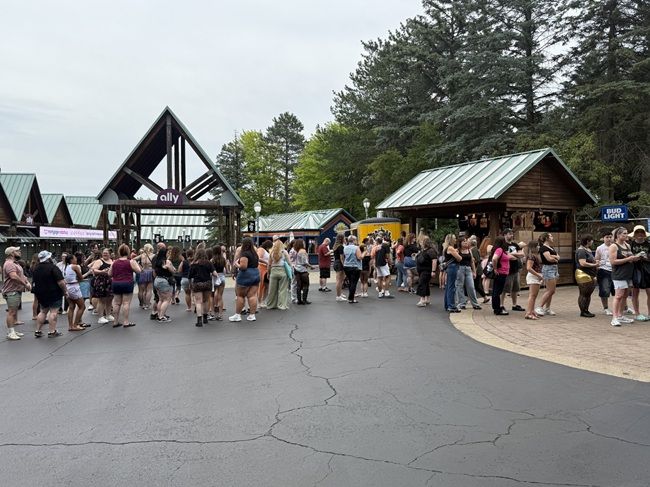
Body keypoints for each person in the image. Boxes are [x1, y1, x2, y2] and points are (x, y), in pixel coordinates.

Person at [609, 227, 640, 326]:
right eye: (624, 234)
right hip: (619, 275)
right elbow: (613, 261)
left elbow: (629, 257)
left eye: (627, 233)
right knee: (618, 295)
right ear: (618, 235)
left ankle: (620, 315)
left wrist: (635, 258)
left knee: (625, 295)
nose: (626, 235)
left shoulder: (627, 245)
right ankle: (614, 318)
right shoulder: (614, 246)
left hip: (628, 274)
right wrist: (628, 259)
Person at [32, 250, 67, 338]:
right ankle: (52, 331)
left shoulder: (36, 268)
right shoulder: (53, 268)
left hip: (41, 293)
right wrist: (65, 291)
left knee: (43, 311)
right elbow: (61, 282)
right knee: (53, 312)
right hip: (53, 292)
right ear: (48, 258)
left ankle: (38, 330)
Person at [109, 244, 141, 328]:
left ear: (119, 252)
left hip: (116, 283)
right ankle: (126, 322)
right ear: (128, 252)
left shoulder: (114, 262)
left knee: (116, 303)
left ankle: (115, 321)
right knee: (126, 303)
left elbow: (109, 274)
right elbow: (138, 271)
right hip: (127, 283)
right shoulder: (130, 262)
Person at [2, 246, 31, 340]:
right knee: (11, 312)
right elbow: (13, 276)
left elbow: (21, 275)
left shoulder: (15, 263)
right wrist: (25, 284)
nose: (20, 252)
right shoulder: (9, 264)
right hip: (11, 291)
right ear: (11, 253)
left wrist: (27, 282)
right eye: (17, 251)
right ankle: (11, 332)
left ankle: (12, 330)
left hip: (15, 290)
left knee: (13, 312)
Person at [229, 238, 260, 322]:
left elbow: (243, 266)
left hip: (246, 275)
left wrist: (237, 265)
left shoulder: (244, 253)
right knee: (252, 295)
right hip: (255, 274)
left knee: (240, 295)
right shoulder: (254, 254)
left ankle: (237, 315)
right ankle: (252, 315)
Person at [189, 248, 217, 326]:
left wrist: (190, 285)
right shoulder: (209, 263)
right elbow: (215, 274)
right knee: (206, 301)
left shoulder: (193, 264)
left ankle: (199, 320)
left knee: (198, 302)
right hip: (207, 283)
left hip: (197, 284)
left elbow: (190, 276)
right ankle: (205, 318)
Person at [535, 233, 560, 317]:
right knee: (551, 290)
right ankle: (539, 307)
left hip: (554, 268)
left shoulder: (551, 247)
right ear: (547, 238)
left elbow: (558, 257)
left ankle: (547, 308)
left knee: (551, 291)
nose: (552, 237)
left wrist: (554, 257)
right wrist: (554, 258)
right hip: (548, 269)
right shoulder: (543, 248)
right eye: (551, 236)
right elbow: (548, 259)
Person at [629, 225, 650, 321]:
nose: (640, 234)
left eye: (642, 232)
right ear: (634, 234)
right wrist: (635, 257)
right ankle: (637, 313)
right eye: (637, 232)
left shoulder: (648, 244)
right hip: (635, 269)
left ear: (644, 234)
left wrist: (646, 257)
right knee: (635, 291)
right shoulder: (630, 245)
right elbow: (627, 257)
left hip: (647, 269)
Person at [575, 234, 599, 318]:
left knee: (588, 294)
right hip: (583, 274)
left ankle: (586, 310)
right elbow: (582, 263)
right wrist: (594, 265)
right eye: (591, 240)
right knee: (583, 294)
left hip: (590, 274)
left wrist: (595, 263)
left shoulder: (587, 249)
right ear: (588, 241)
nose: (592, 242)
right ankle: (583, 311)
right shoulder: (581, 251)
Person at [454, 236, 481, 310]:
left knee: (471, 286)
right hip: (460, 269)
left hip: (468, 269)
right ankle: (461, 303)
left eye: (466, 241)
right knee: (460, 286)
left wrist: (474, 271)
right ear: (460, 243)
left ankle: (475, 304)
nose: (466, 242)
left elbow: (472, 262)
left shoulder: (469, 250)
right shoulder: (457, 251)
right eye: (464, 241)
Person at [502, 229, 525, 312]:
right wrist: (514, 256)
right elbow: (507, 256)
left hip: (515, 269)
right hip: (506, 270)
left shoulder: (515, 244)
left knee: (515, 289)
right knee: (504, 289)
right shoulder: (503, 245)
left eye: (512, 234)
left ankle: (514, 305)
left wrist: (512, 254)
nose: (511, 235)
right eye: (509, 234)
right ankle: (501, 305)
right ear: (505, 235)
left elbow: (522, 254)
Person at [63, 254, 87, 331]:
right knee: (82, 306)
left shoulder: (66, 267)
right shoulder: (75, 266)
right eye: (75, 258)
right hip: (74, 287)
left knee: (71, 306)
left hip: (67, 287)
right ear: (71, 260)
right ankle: (75, 324)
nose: (76, 259)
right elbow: (81, 278)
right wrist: (89, 272)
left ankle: (70, 326)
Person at [90, 248, 114, 324]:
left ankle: (108, 315)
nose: (105, 254)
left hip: (110, 281)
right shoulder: (99, 261)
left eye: (106, 253)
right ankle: (100, 317)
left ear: (110, 254)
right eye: (104, 253)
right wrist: (102, 271)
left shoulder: (112, 261)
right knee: (102, 300)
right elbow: (94, 270)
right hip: (101, 282)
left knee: (110, 299)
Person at [153, 244, 176, 322]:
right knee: (166, 300)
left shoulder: (157, 262)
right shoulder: (167, 262)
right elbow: (173, 271)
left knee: (161, 299)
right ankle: (161, 316)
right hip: (165, 281)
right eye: (168, 253)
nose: (169, 254)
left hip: (157, 280)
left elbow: (154, 272)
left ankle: (159, 314)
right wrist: (170, 267)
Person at [594, 230, 615, 315]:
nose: (609, 239)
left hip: (615, 270)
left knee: (619, 290)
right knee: (604, 290)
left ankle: (625, 307)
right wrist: (596, 271)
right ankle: (606, 308)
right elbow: (597, 259)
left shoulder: (615, 246)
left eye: (610, 237)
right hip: (604, 270)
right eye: (607, 237)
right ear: (603, 238)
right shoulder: (600, 248)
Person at [266, 239, 291, 310]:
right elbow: (289, 263)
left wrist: (268, 273)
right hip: (282, 271)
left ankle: (271, 305)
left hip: (273, 271)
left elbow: (269, 264)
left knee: (272, 290)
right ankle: (282, 305)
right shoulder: (284, 252)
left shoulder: (272, 253)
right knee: (282, 290)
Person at [490, 236, 511, 315]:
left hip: (502, 273)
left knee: (496, 291)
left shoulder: (500, 250)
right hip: (501, 272)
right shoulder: (499, 249)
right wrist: (495, 268)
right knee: (497, 291)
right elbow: (494, 259)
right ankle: (497, 309)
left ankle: (496, 308)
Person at [415, 237, 438, 307]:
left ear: (425, 242)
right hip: (422, 270)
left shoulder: (430, 251)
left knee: (422, 283)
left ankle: (422, 300)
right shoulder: (424, 250)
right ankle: (427, 299)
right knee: (425, 284)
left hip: (426, 270)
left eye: (421, 242)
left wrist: (433, 271)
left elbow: (434, 260)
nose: (420, 243)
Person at [524, 240, 544, 320]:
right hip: (533, 276)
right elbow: (528, 268)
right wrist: (538, 275)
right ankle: (528, 313)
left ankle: (532, 311)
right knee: (532, 295)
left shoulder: (534, 255)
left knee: (534, 296)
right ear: (534, 247)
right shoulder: (531, 256)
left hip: (536, 276)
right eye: (537, 245)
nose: (539, 247)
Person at [442, 234, 462, 312]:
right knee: (451, 287)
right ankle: (451, 306)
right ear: (451, 240)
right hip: (453, 267)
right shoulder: (450, 248)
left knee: (448, 287)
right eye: (454, 238)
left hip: (449, 267)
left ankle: (447, 305)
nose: (456, 239)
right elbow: (459, 258)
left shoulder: (446, 248)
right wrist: (457, 253)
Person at [343, 235, 363, 303]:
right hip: (355, 266)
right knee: (353, 283)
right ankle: (351, 298)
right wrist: (364, 253)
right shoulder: (356, 248)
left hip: (346, 266)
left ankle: (351, 297)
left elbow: (344, 256)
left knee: (350, 282)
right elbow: (359, 257)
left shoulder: (345, 247)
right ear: (354, 240)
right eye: (356, 240)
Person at [294, 239, 314, 305]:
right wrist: (311, 266)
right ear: (301, 244)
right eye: (303, 243)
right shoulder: (303, 251)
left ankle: (299, 300)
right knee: (306, 285)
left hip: (297, 269)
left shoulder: (297, 251)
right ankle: (304, 300)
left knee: (299, 285)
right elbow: (305, 262)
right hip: (303, 270)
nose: (305, 244)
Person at [136, 243, 155, 309]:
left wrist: (139, 267)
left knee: (144, 290)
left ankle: (143, 304)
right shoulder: (153, 255)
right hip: (150, 271)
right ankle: (147, 304)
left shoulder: (142, 255)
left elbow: (133, 260)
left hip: (143, 272)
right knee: (149, 290)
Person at [211, 246, 227, 320]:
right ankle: (220, 315)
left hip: (214, 278)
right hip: (222, 278)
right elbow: (226, 269)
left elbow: (211, 270)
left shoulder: (212, 260)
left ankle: (213, 313)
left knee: (213, 295)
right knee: (220, 296)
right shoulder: (223, 259)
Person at [257, 240, 273, 306]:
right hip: (262, 269)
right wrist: (266, 262)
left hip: (266, 269)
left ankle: (263, 301)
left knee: (266, 286)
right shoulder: (261, 249)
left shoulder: (266, 250)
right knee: (261, 286)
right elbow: (258, 258)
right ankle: (259, 301)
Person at [332, 233, 346, 301]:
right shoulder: (340, 247)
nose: (345, 239)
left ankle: (340, 293)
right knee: (339, 280)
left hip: (336, 262)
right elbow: (342, 258)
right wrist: (344, 265)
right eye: (344, 238)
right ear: (342, 239)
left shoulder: (335, 246)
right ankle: (338, 296)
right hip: (340, 263)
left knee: (341, 280)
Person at [479, 237, 493, 303]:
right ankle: (486, 291)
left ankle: (484, 290)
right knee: (488, 277)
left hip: (483, 261)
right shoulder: (490, 246)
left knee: (484, 276)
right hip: (488, 261)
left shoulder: (481, 247)